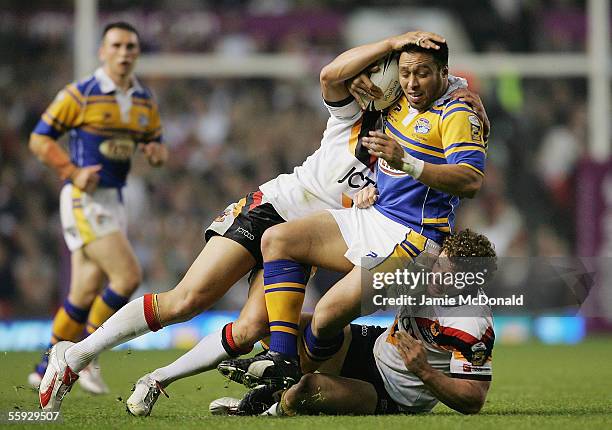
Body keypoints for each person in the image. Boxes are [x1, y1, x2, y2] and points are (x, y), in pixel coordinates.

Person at [38, 31, 487, 413]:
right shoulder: (354, 115)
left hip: (310, 239)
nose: (393, 85)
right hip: (276, 208)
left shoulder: (407, 131)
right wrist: (393, 41)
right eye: (394, 76)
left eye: (399, 79)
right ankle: (75, 356)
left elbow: (436, 160)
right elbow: (331, 76)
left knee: (254, 328)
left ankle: (158, 379)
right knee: (186, 299)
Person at [218, 31, 489, 391]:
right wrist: (374, 63)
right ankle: (282, 363)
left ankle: (295, 386)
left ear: (443, 72)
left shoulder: (456, 112)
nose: (411, 82)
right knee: (278, 239)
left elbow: (470, 181)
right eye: (405, 72)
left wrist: (407, 163)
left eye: (422, 73)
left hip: (416, 241)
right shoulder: (395, 94)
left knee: (327, 317)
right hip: (373, 217)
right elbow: (332, 75)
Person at [213, 229, 497, 416]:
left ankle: (260, 407)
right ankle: (274, 380)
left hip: (395, 392)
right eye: (440, 265)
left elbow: (473, 399)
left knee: (307, 390)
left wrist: (423, 370)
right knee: (282, 324)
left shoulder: (471, 324)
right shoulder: (425, 265)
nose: (437, 276)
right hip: (374, 345)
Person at [28, 21, 167, 394]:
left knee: (84, 292)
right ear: (102, 52)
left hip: (114, 200)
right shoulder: (81, 94)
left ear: (137, 53)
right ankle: (84, 359)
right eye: (117, 46)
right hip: (84, 199)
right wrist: (71, 170)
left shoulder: (143, 100)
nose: (124, 53)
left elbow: (155, 142)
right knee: (127, 276)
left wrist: (155, 152)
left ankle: (44, 368)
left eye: (131, 47)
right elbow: (40, 140)